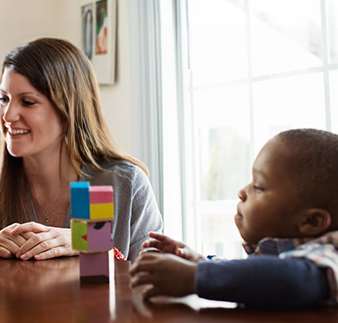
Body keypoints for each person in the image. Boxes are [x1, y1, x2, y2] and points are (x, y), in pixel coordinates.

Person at [0, 38, 163, 261]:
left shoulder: (124, 184)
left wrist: (90, 243)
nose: (8, 115)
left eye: (28, 102)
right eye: (4, 99)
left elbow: (150, 289)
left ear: (68, 108)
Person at [131, 128, 338, 308]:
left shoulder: (328, 256)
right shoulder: (286, 255)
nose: (242, 192)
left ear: (310, 222)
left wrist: (192, 276)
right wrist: (200, 263)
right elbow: (256, 279)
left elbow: (292, 280)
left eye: (259, 186)